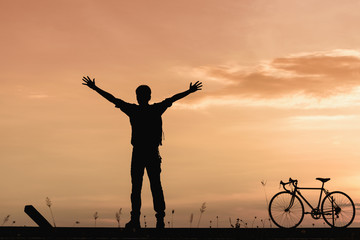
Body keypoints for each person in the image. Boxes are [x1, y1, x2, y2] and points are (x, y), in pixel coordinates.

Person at [82, 76, 202, 229]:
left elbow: (113, 99)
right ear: (149, 96)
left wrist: (95, 88)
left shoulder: (135, 110)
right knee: (153, 186)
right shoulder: (154, 109)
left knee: (139, 187)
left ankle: (139, 220)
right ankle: (157, 219)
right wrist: (189, 91)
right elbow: (173, 98)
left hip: (141, 153)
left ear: (139, 97)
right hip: (149, 153)